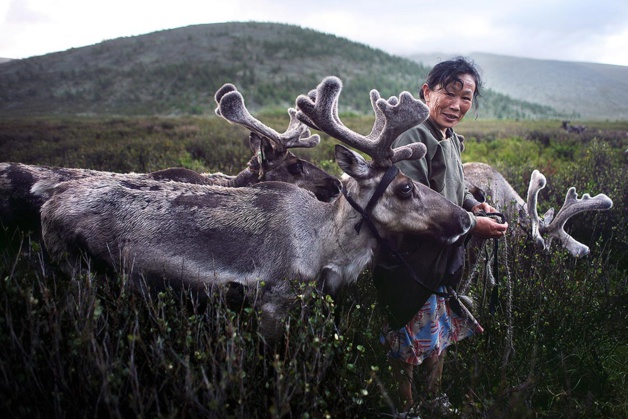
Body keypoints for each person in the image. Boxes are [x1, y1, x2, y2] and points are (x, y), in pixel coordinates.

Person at [374, 57, 508, 416]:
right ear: (426, 92)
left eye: (466, 97)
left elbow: (453, 188)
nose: (457, 105)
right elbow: (412, 205)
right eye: (449, 93)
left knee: (436, 337)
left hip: (440, 258)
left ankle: (431, 400)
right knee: (408, 341)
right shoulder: (414, 137)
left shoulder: (447, 137)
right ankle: (405, 408)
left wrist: (472, 206)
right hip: (411, 261)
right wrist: (469, 224)